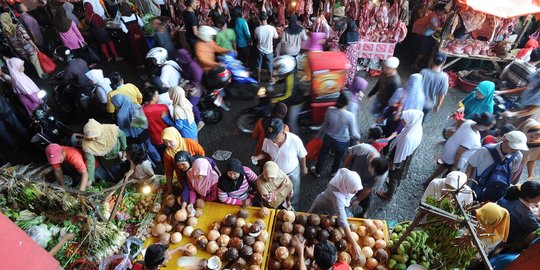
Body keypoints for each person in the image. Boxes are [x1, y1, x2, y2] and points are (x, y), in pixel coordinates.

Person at [308, 168, 363, 261]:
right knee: (312, 222)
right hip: (322, 207)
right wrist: (354, 243)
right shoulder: (337, 196)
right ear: (346, 186)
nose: (356, 192)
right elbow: (343, 221)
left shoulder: (345, 175)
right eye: (354, 190)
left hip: (330, 206)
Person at [252, 118, 308, 209]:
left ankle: (293, 209)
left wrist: (304, 167)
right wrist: (257, 157)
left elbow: (302, 155)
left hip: (292, 173)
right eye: (271, 137)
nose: (273, 140)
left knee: (294, 193)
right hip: (275, 175)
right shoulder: (268, 140)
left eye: (275, 136)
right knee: (276, 194)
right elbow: (266, 153)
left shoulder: (294, 140)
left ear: (282, 132)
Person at [425, 112, 495, 183]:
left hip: (449, 149)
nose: (489, 128)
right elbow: (459, 153)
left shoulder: (470, 122)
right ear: (483, 125)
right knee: (449, 177)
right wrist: (455, 166)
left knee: (443, 166)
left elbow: (460, 120)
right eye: (489, 126)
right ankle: (438, 186)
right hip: (454, 158)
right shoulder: (473, 138)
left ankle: (429, 180)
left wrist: (456, 132)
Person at [377, 110, 424, 200]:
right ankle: (395, 185)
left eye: (404, 119)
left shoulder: (407, 137)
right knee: (398, 176)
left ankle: (389, 194)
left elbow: (400, 153)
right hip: (407, 156)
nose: (402, 120)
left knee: (393, 175)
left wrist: (395, 164)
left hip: (399, 158)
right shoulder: (416, 128)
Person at [312, 93, 360, 177]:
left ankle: (317, 172)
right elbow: (353, 133)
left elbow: (325, 125)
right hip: (342, 141)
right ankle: (333, 172)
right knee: (338, 157)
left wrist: (318, 135)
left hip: (328, 137)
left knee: (323, 154)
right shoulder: (350, 116)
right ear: (347, 103)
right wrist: (358, 137)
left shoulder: (330, 110)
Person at [110, 94, 161, 164]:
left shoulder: (120, 115)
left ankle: (151, 164)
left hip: (135, 137)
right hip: (144, 131)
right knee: (150, 146)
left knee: (141, 151)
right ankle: (158, 159)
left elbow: (124, 131)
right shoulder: (134, 105)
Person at [344, 143, 389, 217]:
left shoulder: (381, 176)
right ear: (371, 164)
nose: (373, 175)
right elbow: (350, 156)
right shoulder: (363, 148)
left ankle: (363, 212)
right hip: (350, 175)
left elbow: (368, 189)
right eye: (373, 173)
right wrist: (344, 170)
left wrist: (357, 200)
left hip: (363, 184)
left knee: (366, 201)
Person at [497, 181, 540, 251]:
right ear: (529, 197)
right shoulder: (525, 214)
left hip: (500, 227)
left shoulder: (511, 193)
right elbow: (537, 228)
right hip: (508, 239)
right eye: (539, 198)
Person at [82, 119, 128, 183]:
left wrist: (125, 149)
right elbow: (90, 161)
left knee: (125, 167)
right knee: (117, 173)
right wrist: (90, 178)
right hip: (107, 161)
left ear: (99, 132)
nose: (93, 139)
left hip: (120, 154)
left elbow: (122, 135)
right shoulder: (87, 144)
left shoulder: (110, 129)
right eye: (90, 138)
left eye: (95, 136)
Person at [161, 127, 205, 194]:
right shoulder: (168, 154)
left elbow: (202, 154)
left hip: (198, 174)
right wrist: (169, 188)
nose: (168, 145)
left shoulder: (189, 143)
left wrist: (202, 170)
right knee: (190, 192)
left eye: (170, 141)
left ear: (176, 137)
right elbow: (169, 172)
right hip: (183, 178)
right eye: (166, 143)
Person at [0, 13, 45, 78]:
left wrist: (14, 50)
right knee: (35, 61)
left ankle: (36, 72)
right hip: (28, 47)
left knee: (30, 61)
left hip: (19, 50)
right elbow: (27, 37)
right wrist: (35, 46)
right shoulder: (18, 27)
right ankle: (41, 75)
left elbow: (9, 43)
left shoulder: (5, 32)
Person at [252, 102, 289, 167]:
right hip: (274, 154)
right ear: (284, 115)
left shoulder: (261, 121)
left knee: (261, 165)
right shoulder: (285, 128)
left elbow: (255, 136)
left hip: (261, 148)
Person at [412, 4, 445, 69]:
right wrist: (442, 28)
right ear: (438, 10)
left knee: (424, 51)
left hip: (428, 35)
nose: (443, 13)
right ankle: (414, 64)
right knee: (423, 51)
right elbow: (432, 27)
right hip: (426, 36)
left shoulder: (436, 16)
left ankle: (419, 63)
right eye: (442, 11)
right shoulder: (433, 16)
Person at [176, 49, 204, 128]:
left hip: (197, 87)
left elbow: (198, 78)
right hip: (192, 85)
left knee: (191, 104)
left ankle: (200, 121)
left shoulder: (192, 65)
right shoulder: (186, 64)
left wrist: (190, 85)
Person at [421, 52, 449, 120]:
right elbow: (441, 94)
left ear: (432, 60)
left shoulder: (423, 72)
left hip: (418, 101)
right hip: (428, 105)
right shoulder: (444, 77)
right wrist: (438, 105)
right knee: (420, 121)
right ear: (443, 62)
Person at [119, 2, 147, 68]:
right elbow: (141, 24)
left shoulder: (122, 19)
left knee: (136, 50)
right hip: (140, 34)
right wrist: (138, 33)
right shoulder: (135, 15)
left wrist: (133, 34)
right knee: (143, 47)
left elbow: (124, 30)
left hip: (132, 37)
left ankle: (141, 64)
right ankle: (147, 61)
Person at [142, 87, 169, 154]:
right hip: (168, 135)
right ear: (153, 98)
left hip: (155, 139)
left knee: (163, 156)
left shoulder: (141, 111)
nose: (159, 95)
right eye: (157, 94)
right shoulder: (164, 107)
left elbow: (139, 126)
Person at [255, 11, 278, 82]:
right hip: (269, 50)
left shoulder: (257, 29)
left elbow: (256, 38)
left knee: (259, 64)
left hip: (260, 49)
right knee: (270, 65)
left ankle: (258, 79)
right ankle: (270, 78)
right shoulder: (272, 28)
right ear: (267, 18)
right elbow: (276, 37)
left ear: (259, 19)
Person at [340, 20, 360, 86]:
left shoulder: (344, 34)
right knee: (352, 68)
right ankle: (349, 82)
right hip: (354, 55)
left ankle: (344, 82)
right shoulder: (356, 34)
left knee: (345, 68)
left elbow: (341, 46)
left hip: (346, 55)